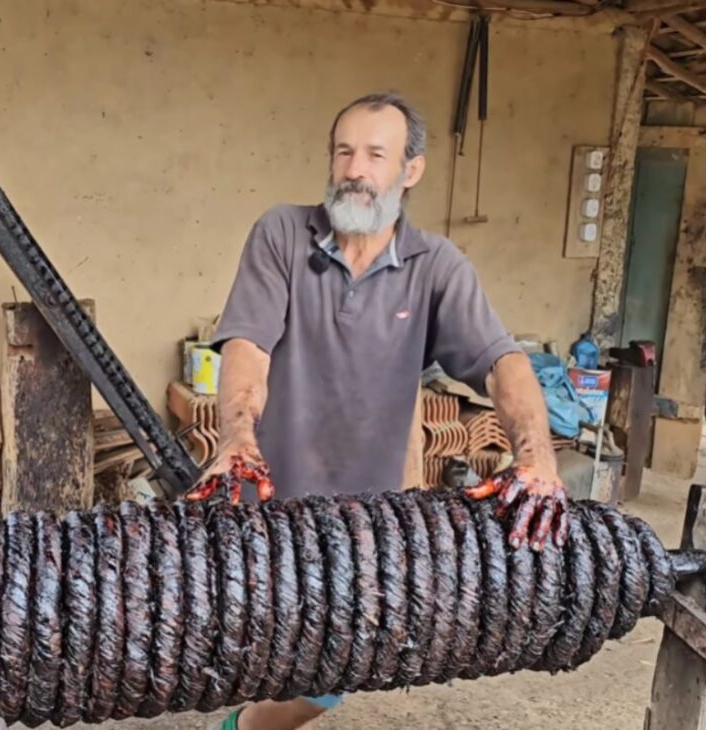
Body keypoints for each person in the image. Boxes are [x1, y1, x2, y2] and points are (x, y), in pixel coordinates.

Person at [186, 92, 567, 730]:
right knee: (243, 639)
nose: (355, 169)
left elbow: (504, 364)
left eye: (375, 155)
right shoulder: (282, 232)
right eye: (344, 152)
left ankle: (244, 728)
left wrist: (538, 458)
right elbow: (248, 344)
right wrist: (236, 436)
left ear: (410, 170)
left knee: (349, 660)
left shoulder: (435, 266)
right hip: (269, 503)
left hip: (367, 524)